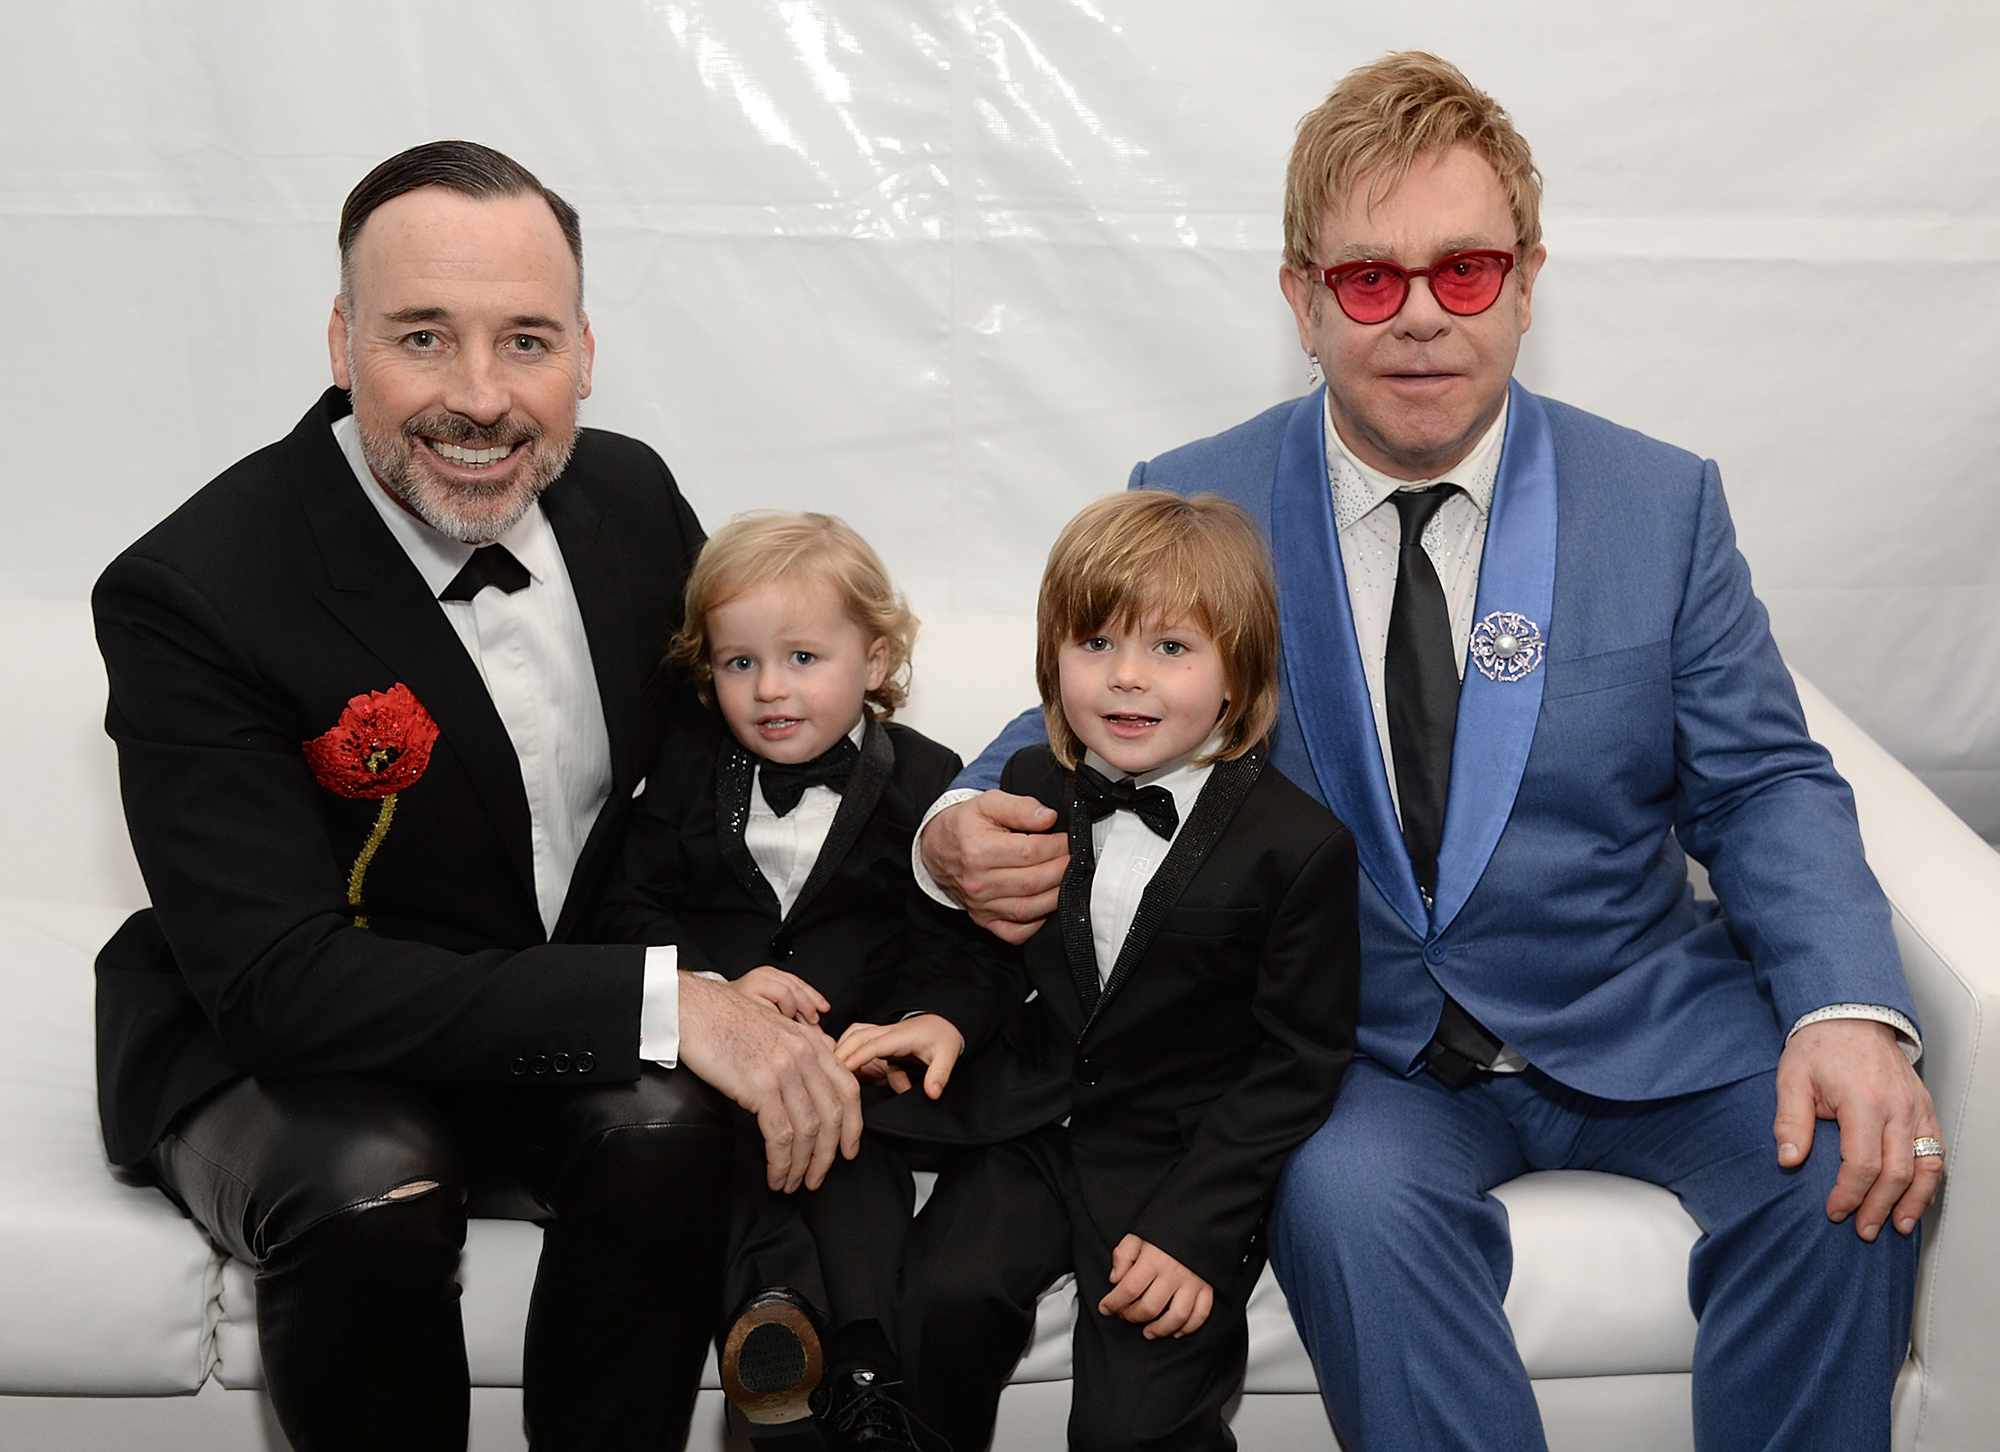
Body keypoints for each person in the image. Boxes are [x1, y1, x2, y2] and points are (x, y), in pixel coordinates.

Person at [917, 53, 1944, 1452]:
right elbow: (1082, 717)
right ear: (1301, 297)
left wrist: (1844, 1007)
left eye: (1462, 273)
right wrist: (959, 817)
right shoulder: (1197, 496)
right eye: (1367, 279)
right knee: (1345, 1206)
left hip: (1643, 1016)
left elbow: (1762, 781)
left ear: (1525, 281)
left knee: (1851, 1166)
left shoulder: (1660, 503)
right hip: (1366, 1057)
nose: (1416, 320)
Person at [92, 140, 861, 1452]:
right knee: (370, 1186)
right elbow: (282, 985)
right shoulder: (195, 592)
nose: (481, 397)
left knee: (670, 1127)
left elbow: (762, 735)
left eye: (525, 342)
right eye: (423, 338)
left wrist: (956, 832)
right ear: (342, 343)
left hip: (539, 1016)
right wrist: (673, 1003)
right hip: (285, 1050)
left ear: (585, 351)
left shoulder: (629, 497)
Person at [863, 490, 1358, 1451]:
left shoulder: (1299, 847)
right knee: (938, 1301)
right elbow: (994, 954)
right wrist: (949, 1020)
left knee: (1133, 1425)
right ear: (1052, 658)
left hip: (1176, 1159)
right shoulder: (1031, 789)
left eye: (1171, 649)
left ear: (1239, 671)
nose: (1126, 680)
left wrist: (1200, 1226)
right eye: (1096, 644)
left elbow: (1299, 1061)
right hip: (1033, 1131)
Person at [595, 511, 995, 1451]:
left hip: (857, 1069)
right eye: (739, 665)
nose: (770, 689)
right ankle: (781, 1322)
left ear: (877, 656)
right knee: (717, 1144)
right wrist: (715, 983)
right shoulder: (685, 770)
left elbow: (963, 948)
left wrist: (928, 1021)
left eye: (804, 657)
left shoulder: (930, 783)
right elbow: (622, 907)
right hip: (718, 1067)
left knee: (855, 1162)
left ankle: (853, 1364)